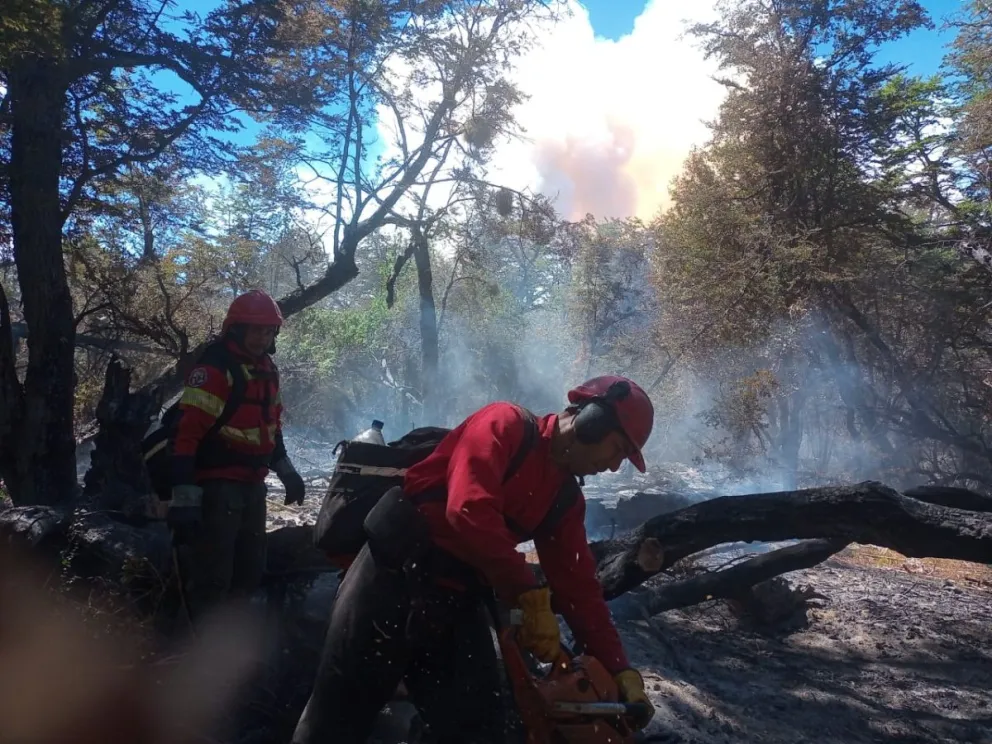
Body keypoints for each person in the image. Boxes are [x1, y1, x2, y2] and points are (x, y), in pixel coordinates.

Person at [292, 375, 657, 744]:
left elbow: (580, 590)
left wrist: (620, 670)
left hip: (457, 602)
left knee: (476, 728)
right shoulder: (504, 424)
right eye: (617, 450)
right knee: (335, 719)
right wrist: (528, 594)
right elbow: (467, 510)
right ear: (594, 421)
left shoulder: (563, 499)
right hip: (388, 579)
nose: (613, 467)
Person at [167, 289, 306, 623]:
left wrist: (286, 471)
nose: (263, 337)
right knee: (213, 574)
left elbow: (271, 426)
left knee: (250, 569)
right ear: (237, 329)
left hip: (253, 485)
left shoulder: (267, 370)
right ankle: (200, 647)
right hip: (217, 486)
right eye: (256, 329)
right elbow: (187, 435)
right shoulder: (216, 368)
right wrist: (184, 497)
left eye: (269, 330)